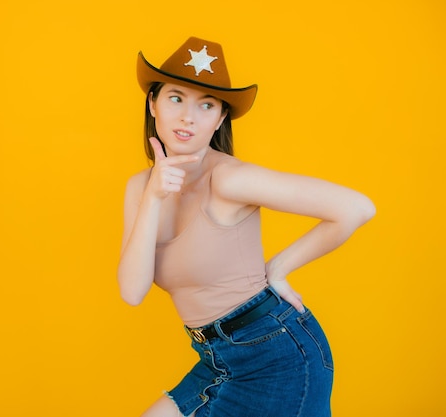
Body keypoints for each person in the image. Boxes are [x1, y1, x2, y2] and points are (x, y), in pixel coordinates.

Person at [117, 36, 376, 417]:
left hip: (276, 355)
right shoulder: (140, 187)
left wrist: (279, 268)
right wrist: (154, 198)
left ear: (220, 118)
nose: (189, 116)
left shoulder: (227, 180)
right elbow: (131, 291)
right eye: (176, 98)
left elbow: (356, 207)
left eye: (206, 105)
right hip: (218, 355)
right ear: (152, 103)